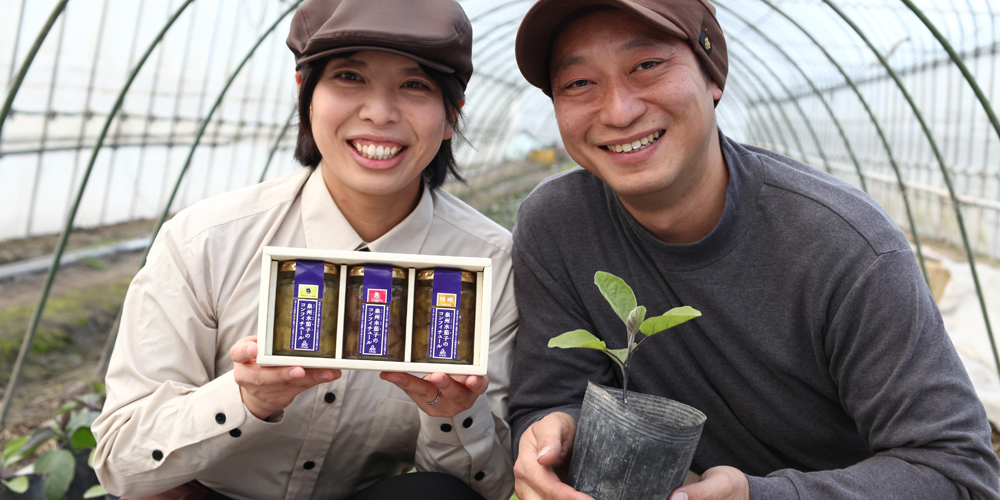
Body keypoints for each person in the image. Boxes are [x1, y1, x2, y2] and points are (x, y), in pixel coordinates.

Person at [506, 0, 1000, 499]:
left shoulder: (843, 245)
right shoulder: (557, 225)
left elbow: (958, 472)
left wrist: (757, 496)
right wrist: (552, 435)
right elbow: (553, 396)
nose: (618, 110)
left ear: (713, 76)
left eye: (647, 66)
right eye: (578, 84)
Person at [91, 1, 518, 499]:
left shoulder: (488, 263)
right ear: (305, 96)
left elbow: (485, 488)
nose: (379, 113)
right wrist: (245, 398)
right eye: (349, 77)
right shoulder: (206, 241)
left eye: (415, 85)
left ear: (450, 116)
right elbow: (121, 462)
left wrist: (453, 415)